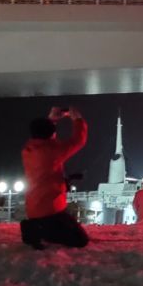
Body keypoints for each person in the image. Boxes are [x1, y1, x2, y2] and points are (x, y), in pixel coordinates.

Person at [20, 107, 89, 249]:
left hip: (35, 207)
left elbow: (46, 138)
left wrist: (52, 120)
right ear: (51, 133)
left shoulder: (29, 148)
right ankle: (34, 229)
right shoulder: (51, 152)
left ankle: (35, 226)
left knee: (70, 228)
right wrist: (78, 120)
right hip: (50, 211)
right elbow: (78, 141)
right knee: (80, 240)